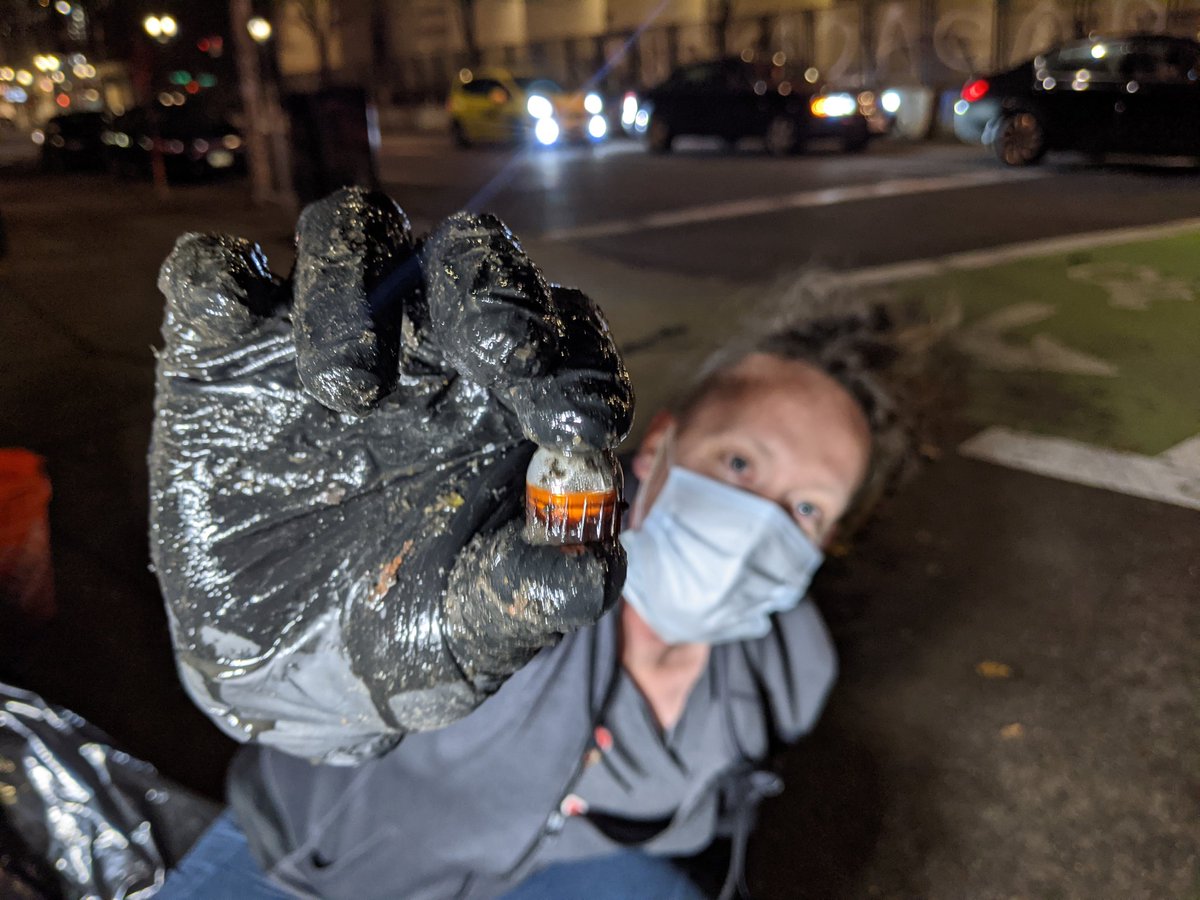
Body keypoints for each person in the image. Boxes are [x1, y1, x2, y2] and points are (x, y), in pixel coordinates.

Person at [150, 188, 908, 900]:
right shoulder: (494, 533)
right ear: (660, 447)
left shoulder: (793, 672)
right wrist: (290, 645)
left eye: (806, 506)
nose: (758, 520)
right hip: (315, 867)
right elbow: (318, 702)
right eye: (739, 463)